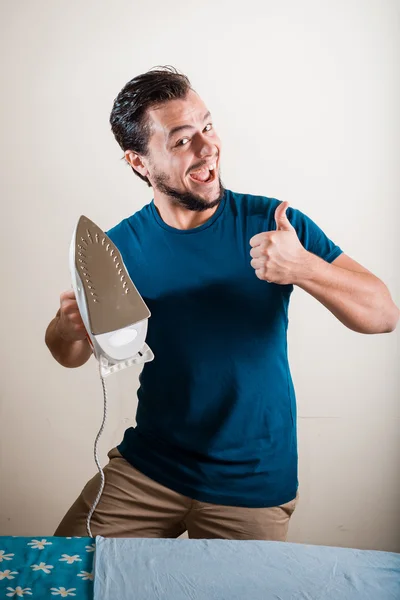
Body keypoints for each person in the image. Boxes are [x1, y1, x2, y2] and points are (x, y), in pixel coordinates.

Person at [45, 66, 399, 541]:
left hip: (251, 481)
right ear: (138, 162)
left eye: (207, 127)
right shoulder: (117, 248)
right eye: (181, 140)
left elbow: (384, 315)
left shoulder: (276, 223)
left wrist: (305, 268)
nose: (207, 146)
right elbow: (69, 354)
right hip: (150, 468)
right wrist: (68, 326)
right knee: (55, 579)